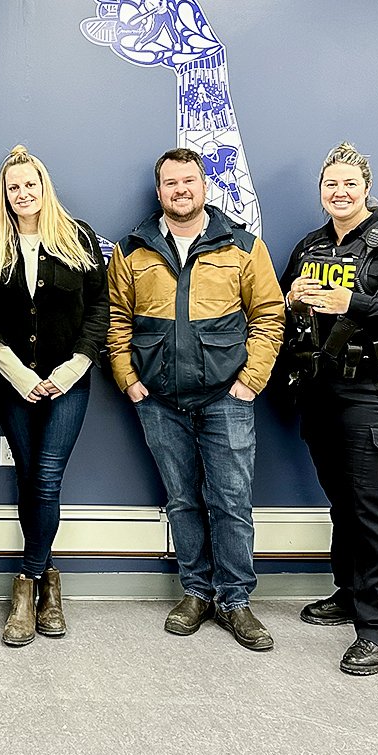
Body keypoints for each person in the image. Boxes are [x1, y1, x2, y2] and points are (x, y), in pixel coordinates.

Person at [106, 147, 284, 650]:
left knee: (230, 500)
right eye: (170, 183)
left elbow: (270, 316)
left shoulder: (244, 247)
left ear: (204, 186)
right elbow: (116, 320)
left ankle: (234, 599)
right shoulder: (132, 250)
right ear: (158, 190)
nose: (180, 190)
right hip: (158, 400)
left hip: (226, 397)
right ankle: (197, 591)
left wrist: (250, 381)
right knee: (182, 500)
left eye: (189, 181)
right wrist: (129, 380)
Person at [279, 142, 378, 676]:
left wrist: (357, 303)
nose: (339, 193)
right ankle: (349, 595)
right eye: (330, 185)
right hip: (322, 389)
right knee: (344, 503)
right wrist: (291, 299)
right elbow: (279, 312)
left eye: (349, 184)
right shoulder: (310, 246)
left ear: (366, 189)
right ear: (320, 191)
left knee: (373, 508)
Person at [0, 146, 107, 646]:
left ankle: (26, 585)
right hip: (12, 384)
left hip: (70, 380)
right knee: (29, 477)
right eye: (14, 187)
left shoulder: (78, 238)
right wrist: (19, 375)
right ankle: (49, 581)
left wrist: (72, 368)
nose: (23, 194)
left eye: (31, 184)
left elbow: (99, 309)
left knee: (46, 478)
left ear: (44, 187)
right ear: (4, 196)